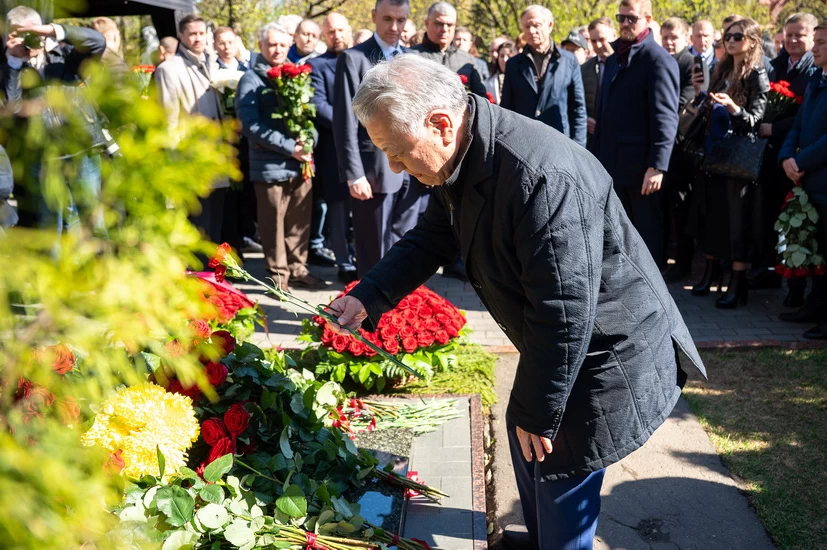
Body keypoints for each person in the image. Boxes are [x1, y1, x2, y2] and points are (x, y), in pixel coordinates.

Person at [327, 53, 705, 550]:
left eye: (397, 152)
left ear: (440, 124)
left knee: (556, 461)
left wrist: (539, 410)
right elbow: (433, 237)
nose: (394, 167)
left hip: (605, 348)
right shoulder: (462, 151)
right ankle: (545, 536)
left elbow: (564, 309)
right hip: (564, 338)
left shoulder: (540, 176)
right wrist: (369, 295)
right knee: (526, 437)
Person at [333, 0, 424, 276]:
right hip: (373, 171)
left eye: (401, 20)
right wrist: (354, 174)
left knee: (405, 248)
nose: (394, 27)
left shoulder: (413, 59)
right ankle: (370, 304)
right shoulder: (354, 59)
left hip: (413, 171)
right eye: (387, 19)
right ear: (374, 16)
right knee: (373, 253)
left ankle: (402, 302)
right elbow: (345, 122)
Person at [235, 23, 326, 290]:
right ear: (261, 46)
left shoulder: (297, 74)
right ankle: (277, 277)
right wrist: (290, 148)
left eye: (282, 45)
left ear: (290, 45)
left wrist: (309, 142)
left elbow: (309, 116)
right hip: (270, 166)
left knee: (299, 221)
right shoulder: (251, 79)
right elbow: (250, 125)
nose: (277, 50)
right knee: (272, 224)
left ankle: (298, 269)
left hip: (300, 164)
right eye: (272, 44)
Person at [1, 6, 107, 232]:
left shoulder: (66, 55)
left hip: (81, 149)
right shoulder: (8, 66)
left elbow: (98, 42)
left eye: (31, 33)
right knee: (50, 228)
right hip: (43, 157)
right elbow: (13, 107)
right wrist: (13, 63)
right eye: (20, 34)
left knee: (93, 222)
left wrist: (53, 30)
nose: (28, 40)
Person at [592, 0, 679, 268]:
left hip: (642, 169)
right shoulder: (614, 56)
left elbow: (666, 117)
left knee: (646, 235)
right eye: (621, 18)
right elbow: (604, 111)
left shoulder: (658, 59)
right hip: (611, 164)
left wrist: (657, 166)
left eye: (632, 18)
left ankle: (652, 289)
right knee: (617, 236)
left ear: (648, 19)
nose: (625, 23)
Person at [689, 16, 769, 308]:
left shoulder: (757, 73)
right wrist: (700, 96)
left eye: (737, 36)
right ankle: (712, 274)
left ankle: (738, 283)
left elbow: (756, 121)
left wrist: (734, 108)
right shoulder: (720, 69)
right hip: (714, 154)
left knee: (738, 222)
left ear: (752, 41)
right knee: (714, 217)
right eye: (727, 37)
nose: (730, 41)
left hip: (739, 159)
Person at [754, 13, 819, 305]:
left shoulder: (813, 70)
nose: (792, 40)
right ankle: (771, 270)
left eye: (799, 35)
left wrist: (775, 129)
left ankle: (797, 286)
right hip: (774, 157)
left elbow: (803, 118)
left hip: (800, 160)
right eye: (788, 34)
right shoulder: (774, 65)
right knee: (770, 218)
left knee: (797, 224)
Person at [155, 14, 228, 243]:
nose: (198, 38)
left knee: (215, 227)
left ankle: (214, 267)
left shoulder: (212, 64)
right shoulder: (168, 69)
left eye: (201, 33)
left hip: (217, 158)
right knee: (198, 227)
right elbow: (168, 120)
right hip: (191, 160)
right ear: (181, 35)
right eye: (192, 34)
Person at [778, 19, 827, 339]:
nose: (815, 48)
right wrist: (786, 157)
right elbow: (797, 125)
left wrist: (801, 160)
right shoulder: (815, 78)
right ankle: (815, 306)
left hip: (821, 178)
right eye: (817, 41)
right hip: (810, 181)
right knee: (818, 250)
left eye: (821, 42)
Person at [309, 13, 356, 283]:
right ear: (324, 35)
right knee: (338, 210)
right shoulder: (317, 66)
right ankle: (344, 262)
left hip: (367, 148)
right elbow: (318, 104)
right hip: (333, 151)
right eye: (330, 32)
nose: (336, 35)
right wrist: (351, 123)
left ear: (348, 30)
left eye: (340, 30)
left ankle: (364, 257)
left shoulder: (363, 58)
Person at [661, 17, 708, 284]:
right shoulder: (663, 60)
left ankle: (683, 262)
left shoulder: (689, 63)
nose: (669, 42)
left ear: (686, 38)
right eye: (665, 37)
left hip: (681, 147)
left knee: (681, 209)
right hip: (667, 147)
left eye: (674, 37)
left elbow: (685, 103)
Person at [501, 5, 587, 147]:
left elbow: (578, 108)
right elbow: (507, 108)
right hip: (524, 143)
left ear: (550, 26)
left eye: (536, 25)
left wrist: (579, 146)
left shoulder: (568, 61)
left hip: (560, 141)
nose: (531, 31)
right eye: (527, 26)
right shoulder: (513, 64)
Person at [412, 2, 486, 97]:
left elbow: (480, 97)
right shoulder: (412, 56)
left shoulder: (467, 60)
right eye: (439, 24)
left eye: (450, 25)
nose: (444, 29)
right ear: (427, 23)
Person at [582, 17, 616, 142]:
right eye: (593, 41)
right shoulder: (584, 69)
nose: (598, 45)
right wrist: (585, 118)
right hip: (593, 138)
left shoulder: (627, 65)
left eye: (602, 39)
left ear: (614, 35)